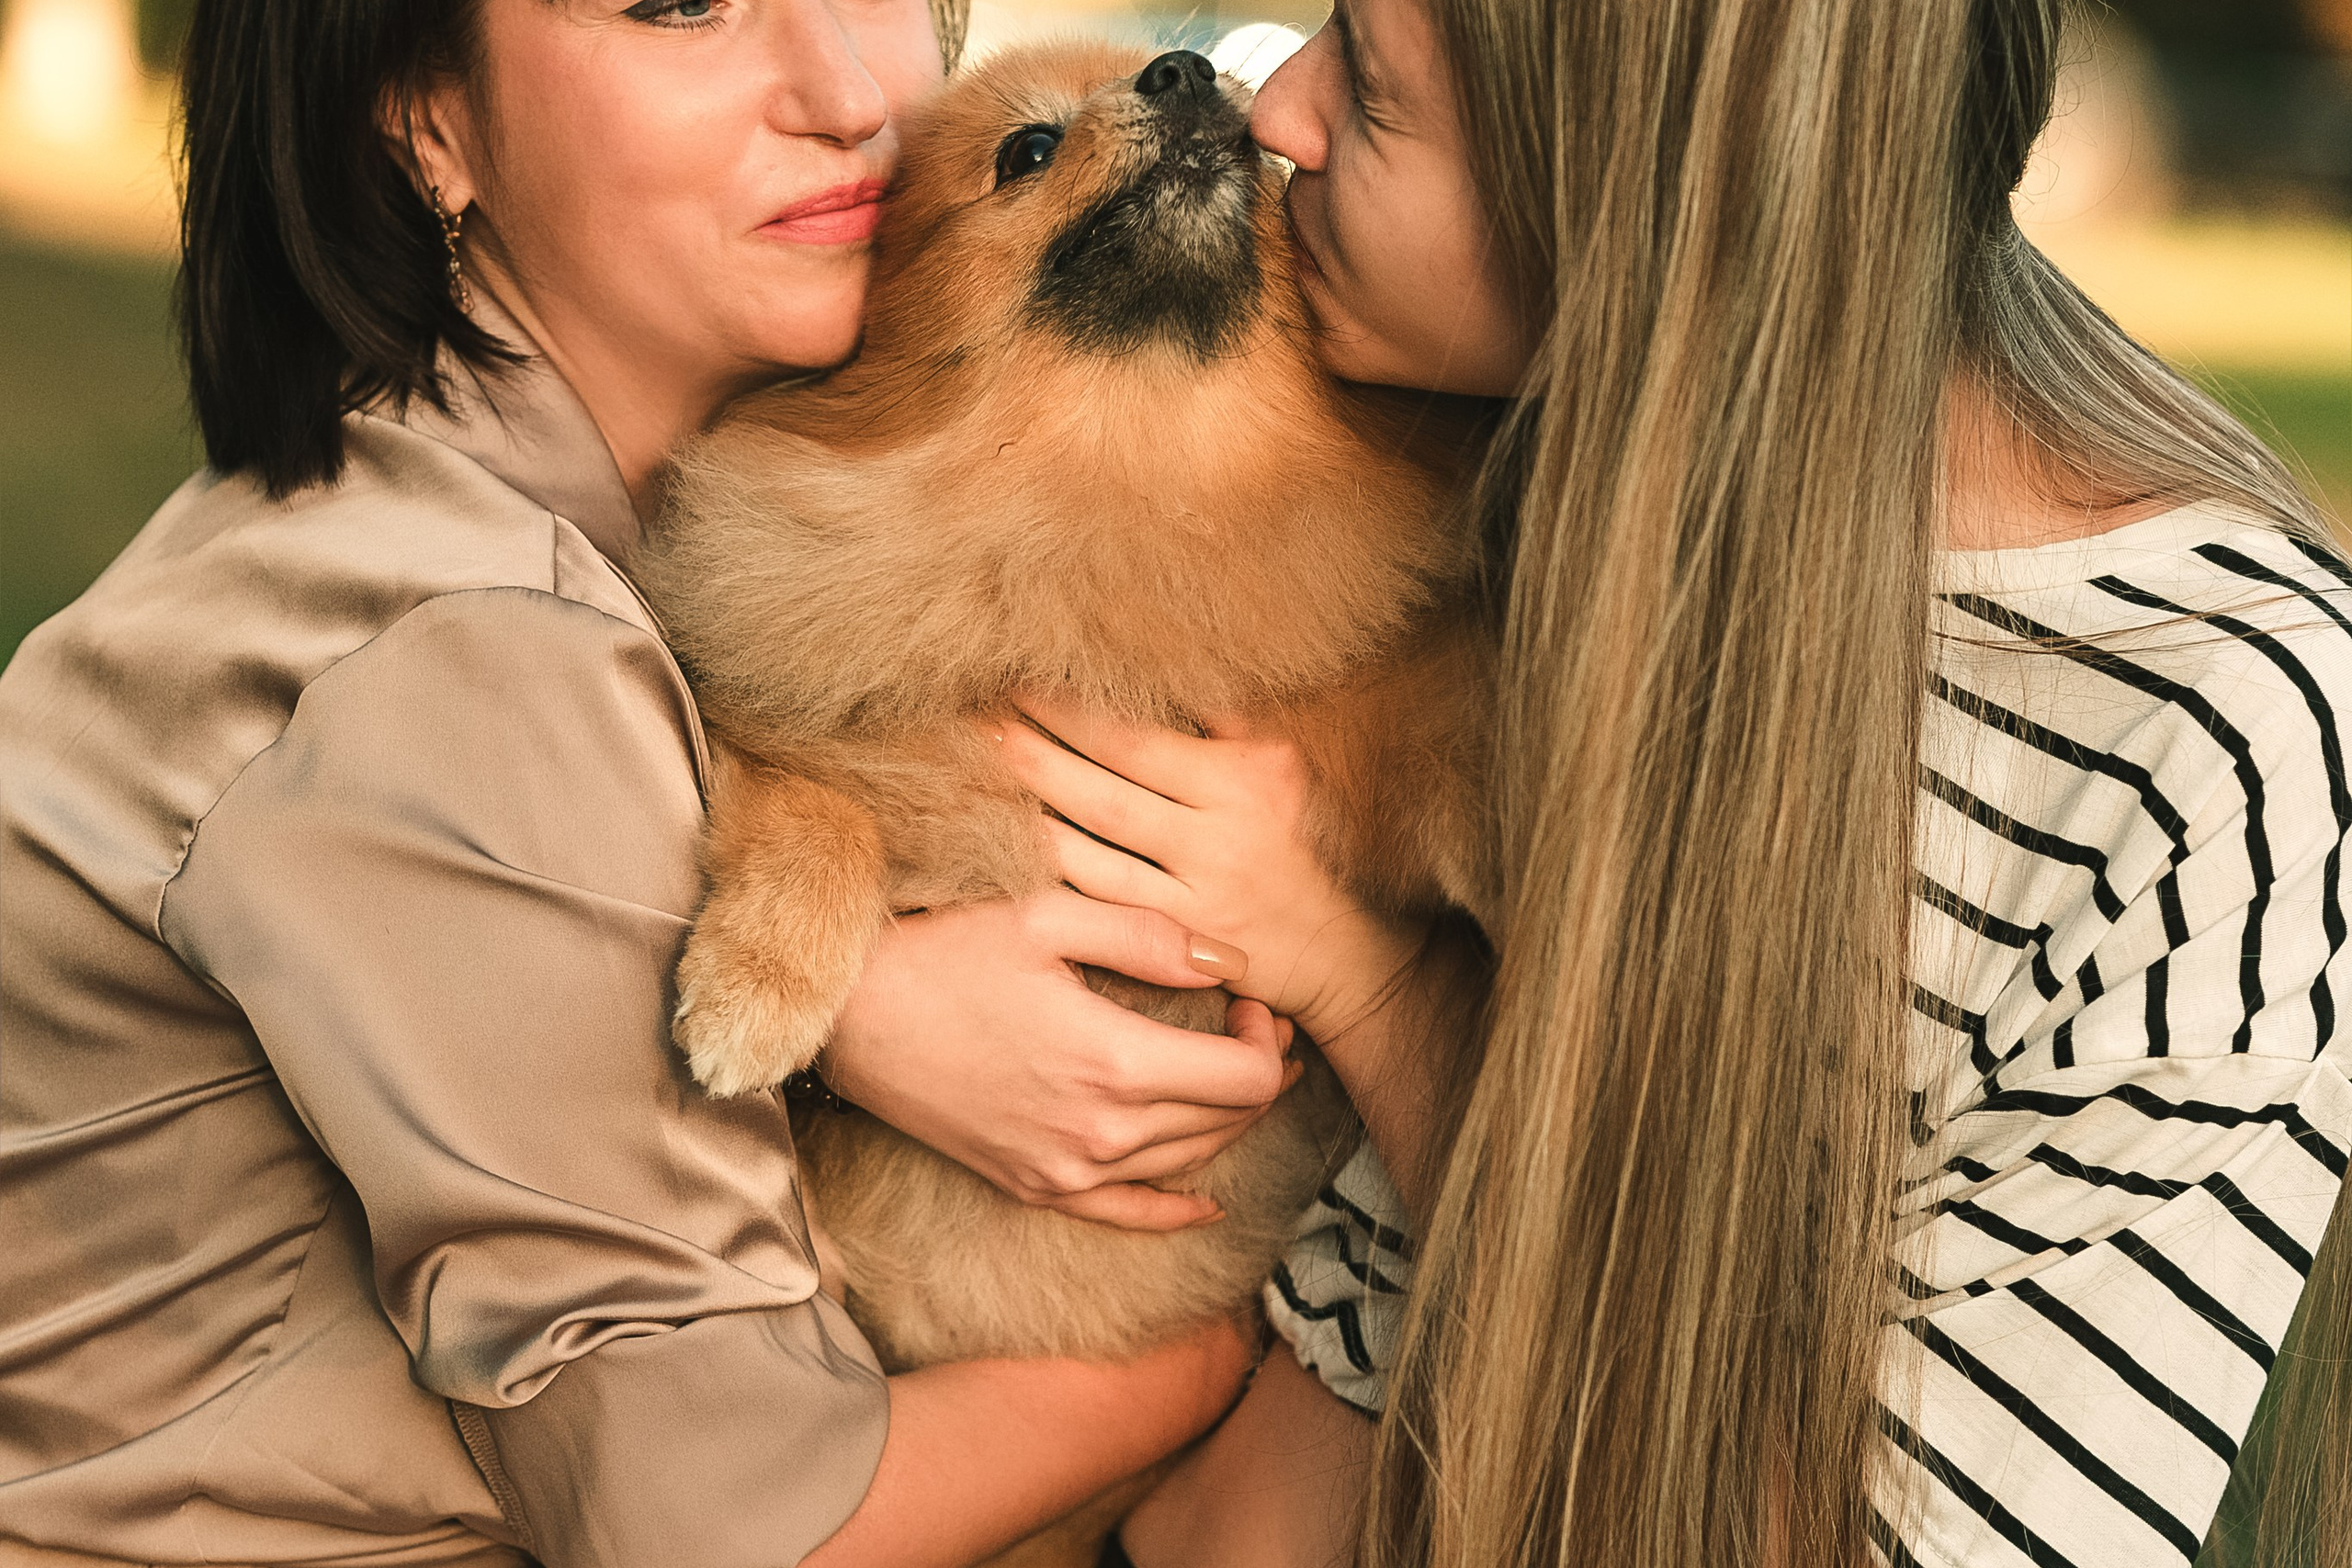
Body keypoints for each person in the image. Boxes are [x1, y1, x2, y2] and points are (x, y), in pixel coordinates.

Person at [984, 0, 2352, 1563]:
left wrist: (1363, 985)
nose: (1273, 103)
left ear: (1633, 200)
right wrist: (868, 1021)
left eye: (1369, 87)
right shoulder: (1505, 422)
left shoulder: (2217, 755)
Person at [0, 2, 1304, 1563]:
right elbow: (732, 1533)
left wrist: (856, 999)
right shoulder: (457, 649)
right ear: (424, 116)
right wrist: (1267, 1344)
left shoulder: (503, 509)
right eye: (682, 4)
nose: (848, 92)